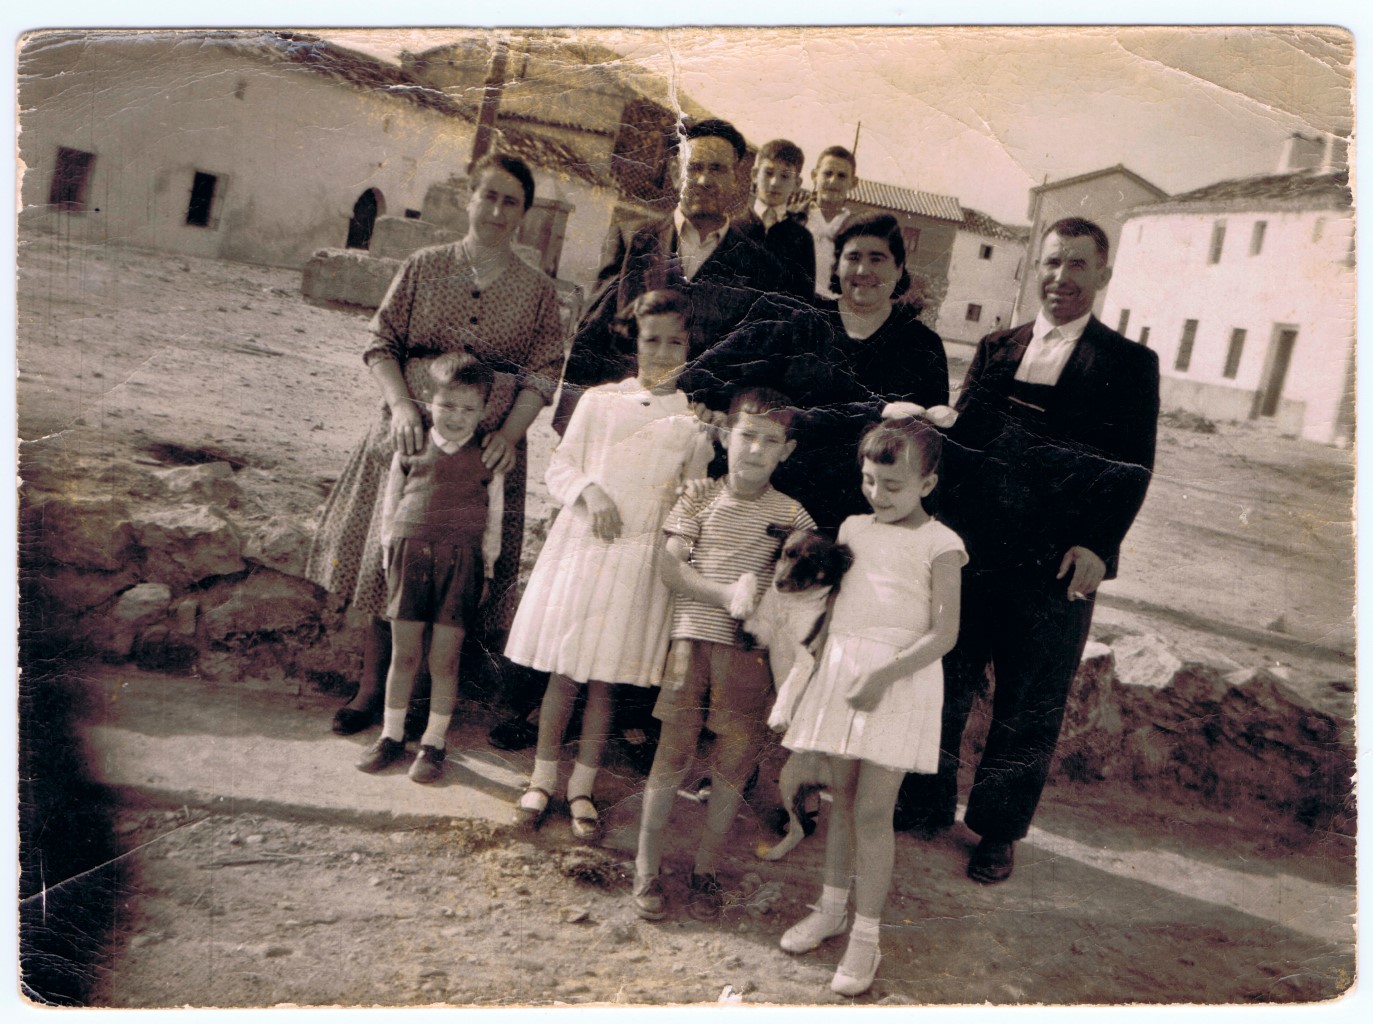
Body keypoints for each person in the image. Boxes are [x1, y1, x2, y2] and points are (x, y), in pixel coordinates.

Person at [902, 216, 1160, 884]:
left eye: (1076, 265)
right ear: (1034, 269)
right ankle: (925, 801)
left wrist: (1099, 546)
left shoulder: (1129, 365)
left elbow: (1131, 468)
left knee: (1029, 704)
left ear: (1101, 275)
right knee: (946, 682)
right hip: (975, 553)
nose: (1060, 278)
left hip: (1053, 566)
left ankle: (996, 830)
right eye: (1050, 263)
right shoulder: (995, 347)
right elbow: (958, 448)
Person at [305, 153, 565, 738]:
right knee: (389, 562)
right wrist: (401, 406)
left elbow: (544, 373)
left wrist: (508, 435)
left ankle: (429, 702)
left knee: (462, 573)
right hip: (410, 442)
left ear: (523, 214)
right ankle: (374, 688)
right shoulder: (424, 266)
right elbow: (380, 342)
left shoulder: (537, 292)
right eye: (489, 196)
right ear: (469, 198)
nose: (497, 211)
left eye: (511, 202)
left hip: (486, 455)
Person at [505, 290, 713, 841]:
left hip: (638, 560)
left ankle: (583, 786)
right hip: (585, 548)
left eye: (676, 341)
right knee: (566, 668)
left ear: (691, 347)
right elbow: (561, 466)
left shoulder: (692, 420)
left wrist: (701, 457)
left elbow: (692, 498)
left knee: (605, 681)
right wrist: (590, 493)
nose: (663, 351)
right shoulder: (598, 401)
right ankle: (541, 777)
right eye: (652, 340)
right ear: (635, 342)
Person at [777, 415, 965, 996]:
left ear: (927, 485)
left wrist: (884, 675)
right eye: (869, 481)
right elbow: (833, 611)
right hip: (844, 671)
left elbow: (945, 634)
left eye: (894, 486)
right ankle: (830, 909)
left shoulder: (942, 544)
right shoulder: (854, 527)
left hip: (898, 679)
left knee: (872, 813)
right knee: (842, 801)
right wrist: (810, 676)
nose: (877, 495)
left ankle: (866, 937)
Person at [631, 388, 815, 923]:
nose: (756, 449)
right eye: (746, 436)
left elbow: (800, 587)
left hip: (749, 656)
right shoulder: (698, 498)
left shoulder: (793, 515)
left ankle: (706, 870)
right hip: (692, 641)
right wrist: (729, 595)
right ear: (723, 437)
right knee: (672, 755)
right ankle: (646, 866)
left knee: (732, 766)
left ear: (788, 450)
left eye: (771, 440)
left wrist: (769, 603)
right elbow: (670, 569)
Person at [555, 117, 786, 434]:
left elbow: (757, 362)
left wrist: (724, 416)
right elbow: (593, 339)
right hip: (623, 423)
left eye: (718, 169)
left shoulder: (761, 268)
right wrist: (573, 429)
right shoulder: (634, 241)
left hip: (701, 434)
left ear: (736, 178)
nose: (704, 179)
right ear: (678, 173)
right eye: (695, 167)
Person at [354, 353, 502, 783]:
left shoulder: (488, 459)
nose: (457, 417)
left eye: (469, 408)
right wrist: (388, 554)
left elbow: (493, 519)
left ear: (484, 410)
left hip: (462, 565)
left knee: (444, 659)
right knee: (404, 655)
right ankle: (391, 735)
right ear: (427, 400)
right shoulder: (412, 446)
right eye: (447, 405)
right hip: (409, 555)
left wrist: (487, 569)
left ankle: (434, 744)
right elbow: (391, 503)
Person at [785, 212, 949, 533]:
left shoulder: (923, 345)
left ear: (899, 268)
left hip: (877, 513)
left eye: (877, 258)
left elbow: (927, 445)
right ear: (836, 266)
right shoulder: (804, 325)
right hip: (792, 500)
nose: (863, 270)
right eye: (853, 257)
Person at [733, 138, 816, 298]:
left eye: (785, 176)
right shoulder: (732, 229)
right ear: (755, 174)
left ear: (797, 183)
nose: (775, 182)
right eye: (768, 173)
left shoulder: (802, 239)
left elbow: (804, 302)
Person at [804, 145, 857, 301]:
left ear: (853, 182)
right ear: (814, 175)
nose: (833, 181)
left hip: (834, 312)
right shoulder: (795, 218)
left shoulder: (858, 228)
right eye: (827, 173)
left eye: (841, 176)